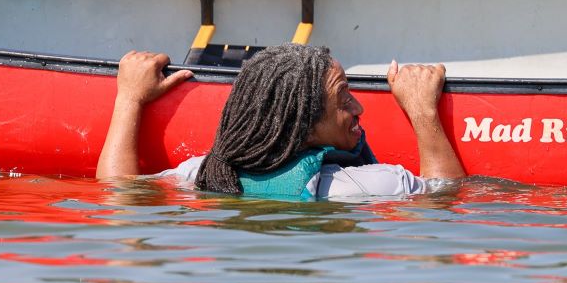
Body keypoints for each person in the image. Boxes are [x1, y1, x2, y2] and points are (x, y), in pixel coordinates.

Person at [96, 44, 466, 199]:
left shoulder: (204, 173)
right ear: (302, 126)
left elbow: (118, 190)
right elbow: (448, 197)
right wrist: (423, 112)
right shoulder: (369, 185)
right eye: (343, 99)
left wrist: (129, 98)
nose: (358, 108)